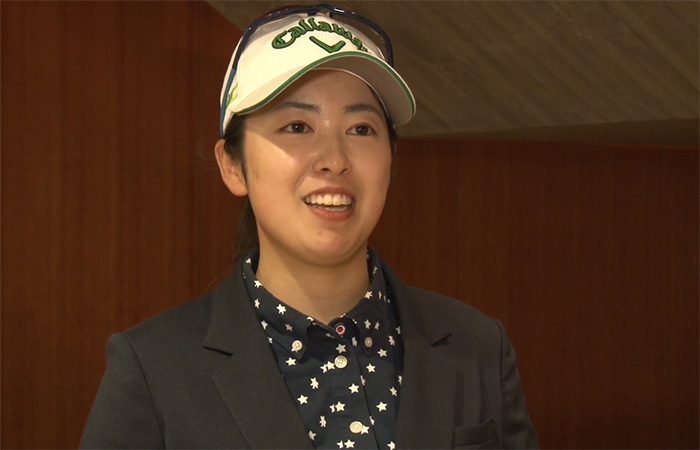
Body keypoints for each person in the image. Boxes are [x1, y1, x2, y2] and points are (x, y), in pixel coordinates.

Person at [80, 4, 538, 449]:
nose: (335, 160)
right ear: (233, 166)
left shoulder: (478, 346)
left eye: (361, 129)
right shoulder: (153, 370)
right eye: (297, 126)